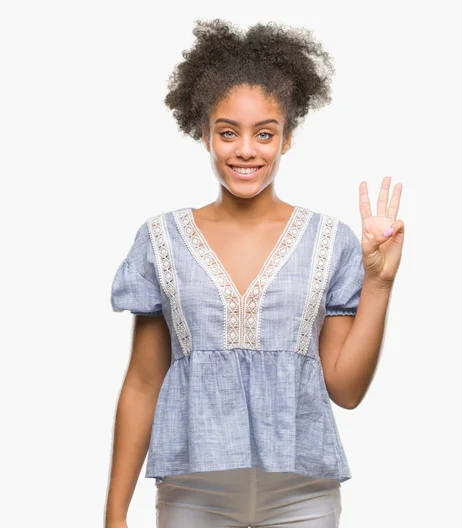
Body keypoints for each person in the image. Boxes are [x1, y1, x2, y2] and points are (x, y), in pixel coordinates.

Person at [104, 19, 404, 528]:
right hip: (192, 493)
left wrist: (379, 283)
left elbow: (347, 391)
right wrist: (115, 513)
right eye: (228, 132)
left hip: (302, 496)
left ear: (286, 138)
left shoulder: (328, 242)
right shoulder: (162, 241)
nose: (246, 150)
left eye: (264, 133)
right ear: (204, 133)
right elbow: (142, 382)